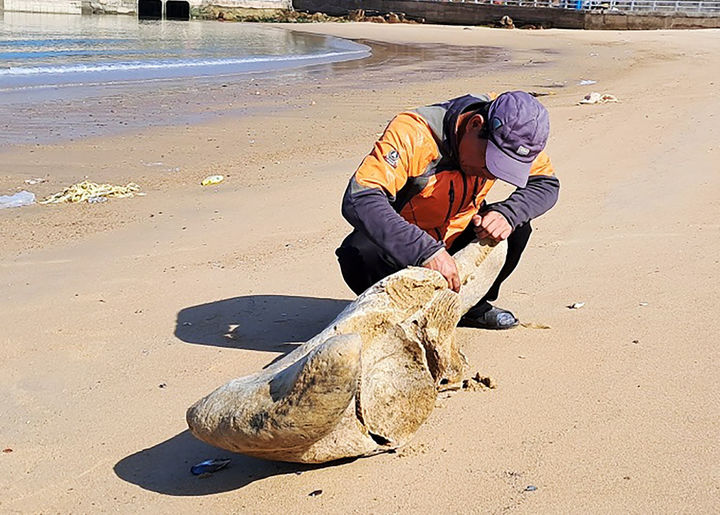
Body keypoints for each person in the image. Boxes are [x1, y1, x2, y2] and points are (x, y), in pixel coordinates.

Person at [335, 91, 559, 329]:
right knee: (358, 253)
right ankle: (408, 317)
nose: (493, 174)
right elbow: (359, 197)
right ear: (475, 125)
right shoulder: (413, 132)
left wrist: (508, 213)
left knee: (516, 226)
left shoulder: (515, 128)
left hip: (460, 230)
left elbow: (547, 184)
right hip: (408, 250)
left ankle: (472, 307)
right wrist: (424, 251)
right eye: (492, 163)